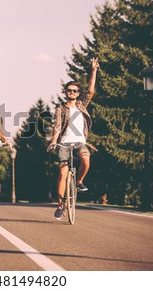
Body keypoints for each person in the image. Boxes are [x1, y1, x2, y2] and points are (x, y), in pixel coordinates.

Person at [47, 57, 99, 220]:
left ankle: (79, 181)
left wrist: (93, 71)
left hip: (80, 142)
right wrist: (54, 141)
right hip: (64, 143)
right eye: (69, 90)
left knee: (86, 159)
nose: (72, 93)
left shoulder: (81, 105)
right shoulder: (60, 109)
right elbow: (56, 126)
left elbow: (90, 91)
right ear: (66, 92)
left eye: (75, 91)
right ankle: (61, 205)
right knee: (63, 173)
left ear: (77, 93)